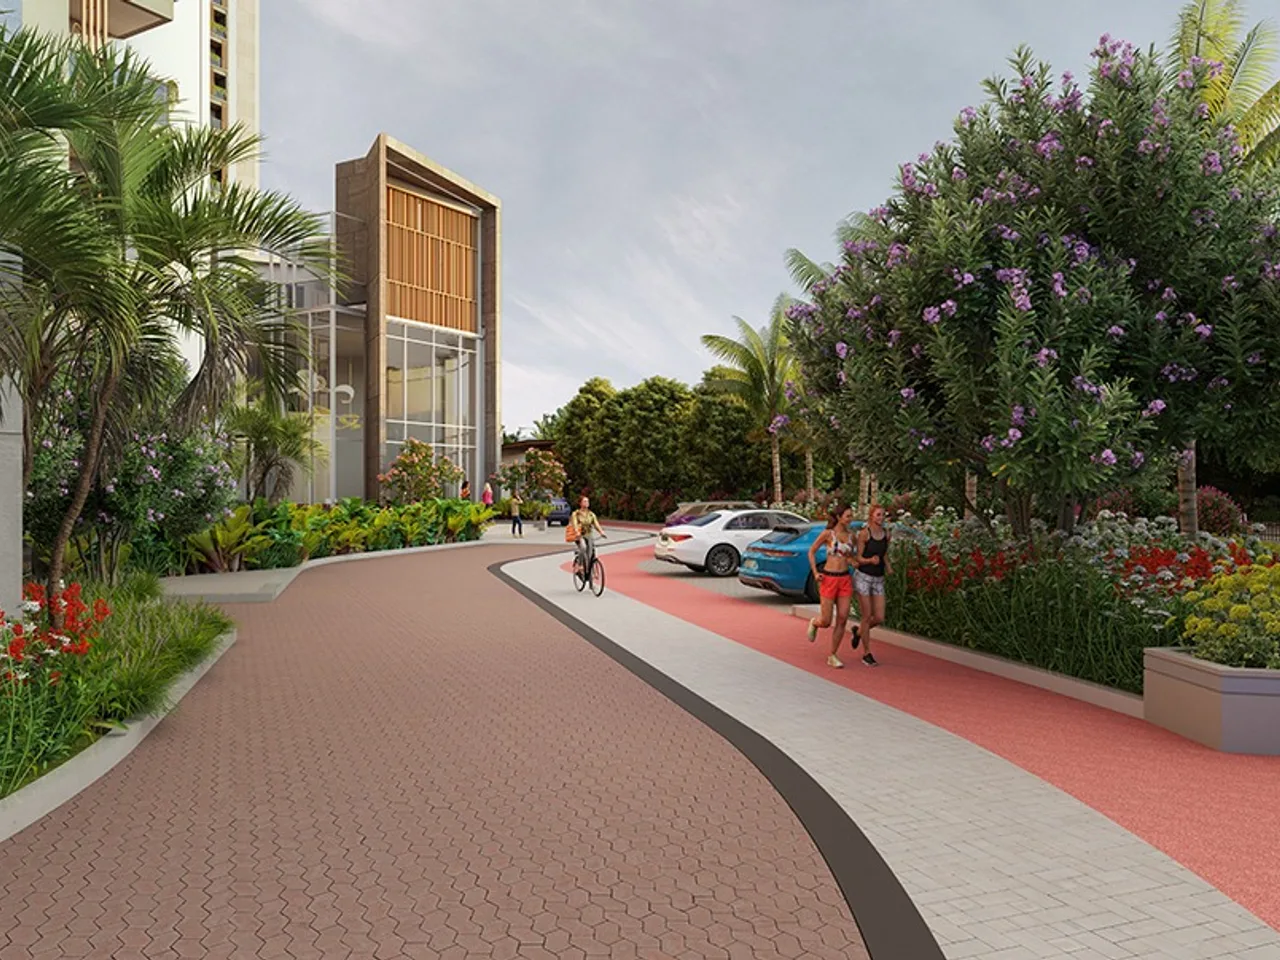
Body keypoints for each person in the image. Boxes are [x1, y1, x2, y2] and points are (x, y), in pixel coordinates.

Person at [806, 503, 859, 669]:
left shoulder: (852, 536)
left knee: (842, 618)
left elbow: (851, 557)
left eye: (851, 516)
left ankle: (833, 655)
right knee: (827, 621)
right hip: (829, 579)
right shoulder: (828, 534)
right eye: (848, 516)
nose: (851, 519)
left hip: (844, 579)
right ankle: (815, 622)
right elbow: (811, 551)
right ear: (839, 517)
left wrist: (856, 562)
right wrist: (815, 572)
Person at [851, 503, 891, 667]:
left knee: (879, 617)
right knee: (866, 616)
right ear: (871, 516)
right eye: (878, 515)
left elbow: (885, 553)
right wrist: (869, 560)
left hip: (878, 578)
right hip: (864, 577)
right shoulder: (864, 534)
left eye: (882, 515)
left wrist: (888, 565)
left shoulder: (886, 534)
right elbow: (858, 557)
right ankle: (867, 653)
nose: (881, 518)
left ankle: (859, 632)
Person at [570, 495, 605, 574]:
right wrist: (577, 532)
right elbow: (574, 524)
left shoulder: (591, 514)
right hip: (580, 535)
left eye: (587, 501)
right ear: (580, 503)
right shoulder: (576, 514)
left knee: (591, 552)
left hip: (589, 534)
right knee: (583, 547)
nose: (587, 503)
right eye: (585, 501)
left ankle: (590, 570)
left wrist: (601, 532)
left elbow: (596, 524)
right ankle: (580, 565)